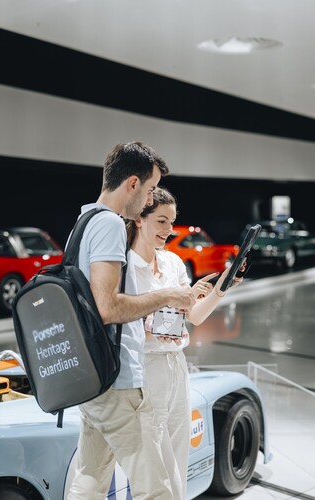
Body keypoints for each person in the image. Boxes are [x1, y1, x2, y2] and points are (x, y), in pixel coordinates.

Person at [67, 142, 195, 500]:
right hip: (119, 384)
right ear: (134, 183)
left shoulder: (84, 220)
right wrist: (168, 296)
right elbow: (107, 307)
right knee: (158, 490)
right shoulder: (108, 223)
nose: (150, 197)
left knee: (89, 480)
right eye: (151, 189)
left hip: (91, 380)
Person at [126, 186, 244, 499]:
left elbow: (195, 317)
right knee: (157, 468)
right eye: (162, 221)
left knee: (178, 459)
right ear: (140, 219)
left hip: (177, 366)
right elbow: (121, 323)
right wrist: (153, 330)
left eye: (172, 221)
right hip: (145, 371)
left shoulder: (173, 263)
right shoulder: (124, 268)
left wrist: (221, 287)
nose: (169, 229)